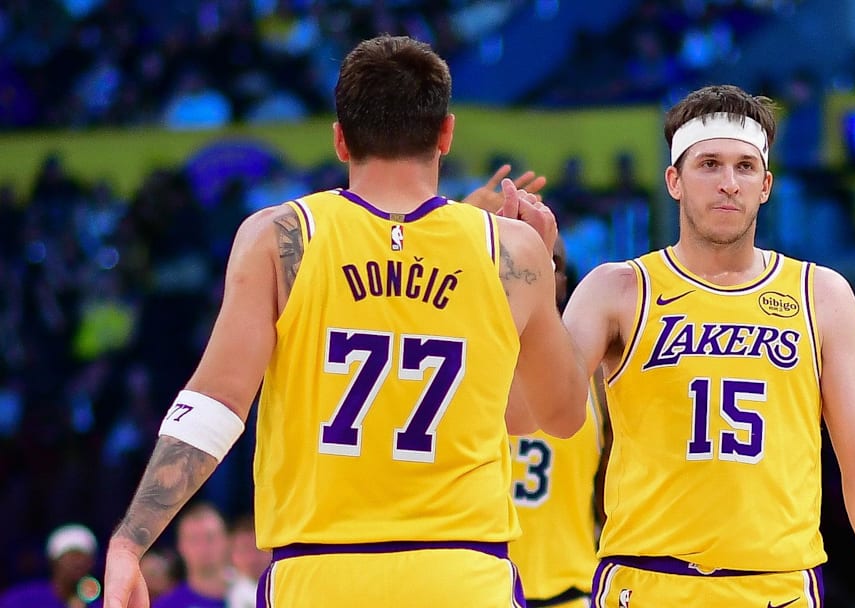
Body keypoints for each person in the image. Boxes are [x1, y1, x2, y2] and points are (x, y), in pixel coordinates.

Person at [102, 34, 587, 608]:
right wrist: (538, 266)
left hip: (320, 573)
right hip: (462, 571)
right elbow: (556, 416)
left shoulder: (280, 236)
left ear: (339, 139)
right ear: (446, 133)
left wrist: (132, 541)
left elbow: (215, 405)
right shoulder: (509, 248)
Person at [558, 84, 855, 606]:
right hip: (647, 580)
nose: (729, 183)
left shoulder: (822, 294)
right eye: (709, 164)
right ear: (674, 180)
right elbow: (545, 412)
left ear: (766, 185)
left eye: (745, 167)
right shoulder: (617, 289)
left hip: (777, 587)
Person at [509, 237, 605, 608]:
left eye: (550, 261)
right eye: (512, 258)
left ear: (563, 281)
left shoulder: (595, 374)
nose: (529, 270)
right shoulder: (457, 359)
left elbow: (612, 497)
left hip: (568, 593)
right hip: (475, 587)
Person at [0, 523, 101, 608]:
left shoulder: (101, 604)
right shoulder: (21, 599)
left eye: (85, 558)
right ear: (54, 561)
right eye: (72, 556)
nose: (79, 563)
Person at [154, 504, 230, 608]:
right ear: (180, 546)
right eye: (194, 540)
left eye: (210, 537)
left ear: (226, 540)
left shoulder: (253, 593)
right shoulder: (167, 605)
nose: (203, 547)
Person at [225, 515, 270, 608]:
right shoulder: (218, 592)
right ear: (231, 555)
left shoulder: (286, 588)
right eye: (244, 550)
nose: (252, 559)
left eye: (258, 550)